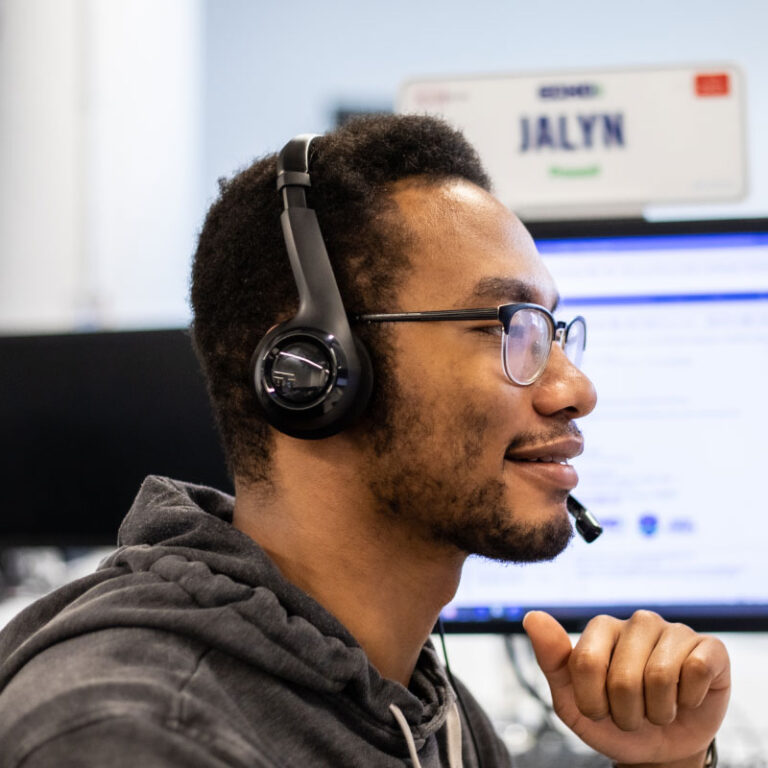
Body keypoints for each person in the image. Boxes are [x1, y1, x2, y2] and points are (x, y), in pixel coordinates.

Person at [0, 115, 729, 767]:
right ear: (315, 371)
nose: (576, 389)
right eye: (503, 328)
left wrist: (666, 764)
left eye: (550, 331)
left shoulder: (417, 705)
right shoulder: (136, 735)